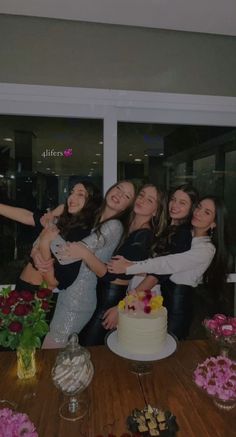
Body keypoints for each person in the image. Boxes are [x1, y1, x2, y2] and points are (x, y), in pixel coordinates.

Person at [108, 196, 230, 340]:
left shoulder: (206, 249)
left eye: (207, 212)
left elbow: (167, 263)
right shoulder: (185, 235)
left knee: (170, 352)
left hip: (178, 309)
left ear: (214, 223)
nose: (198, 213)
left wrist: (129, 267)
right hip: (163, 304)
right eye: (199, 207)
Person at [60, 184, 167, 346]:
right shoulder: (126, 225)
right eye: (142, 195)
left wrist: (121, 307)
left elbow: (149, 275)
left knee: (90, 346)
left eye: (150, 200)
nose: (142, 200)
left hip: (111, 297)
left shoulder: (144, 236)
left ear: (156, 211)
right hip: (98, 291)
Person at [42, 180, 136, 348]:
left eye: (126, 196)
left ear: (126, 207)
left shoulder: (114, 226)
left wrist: (48, 233)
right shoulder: (94, 218)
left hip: (78, 300)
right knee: (60, 351)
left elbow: (68, 254)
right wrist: (53, 219)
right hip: (69, 293)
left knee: (52, 348)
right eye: (118, 188)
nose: (119, 194)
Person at [103, 183, 199, 333]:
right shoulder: (167, 228)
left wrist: (121, 306)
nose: (174, 205)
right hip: (140, 291)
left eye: (182, 203)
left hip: (147, 297)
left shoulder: (182, 235)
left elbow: (156, 275)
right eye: (173, 199)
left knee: (139, 343)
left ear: (191, 208)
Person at [0, 180, 102, 292]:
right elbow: (28, 216)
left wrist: (44, 244)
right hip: (22, 285)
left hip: (37, 296)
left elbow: (57, 282)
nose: (72, 197)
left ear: (92, 201)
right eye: (71, 193)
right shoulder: (61, 221)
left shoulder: (82, 233)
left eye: (80, 194)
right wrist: (35, 251)